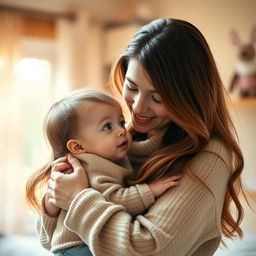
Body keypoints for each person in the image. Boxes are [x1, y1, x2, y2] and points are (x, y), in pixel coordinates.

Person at [44, 18, 245, 255]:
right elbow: (51, 239)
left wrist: (77, 198)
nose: (137, 108)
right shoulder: (118, 143)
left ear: (188, 98)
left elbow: (148, 248)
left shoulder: (210, 154)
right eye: (132, 87)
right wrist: (53, 198)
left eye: (157, 98)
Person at [26, 89, 181, 256]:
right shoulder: (92, 166)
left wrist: (50, 209)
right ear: (78, 147)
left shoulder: (106, 160)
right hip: (80, 247)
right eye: (107, 126)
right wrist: (151, 190)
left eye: (121, 122)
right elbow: (115, 200)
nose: (122, 130)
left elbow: (46, 239)